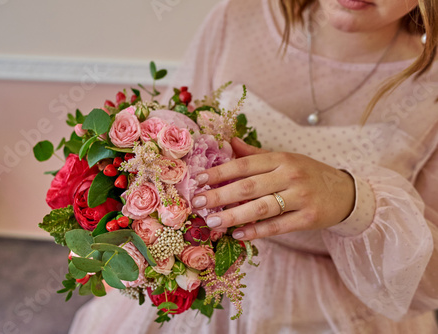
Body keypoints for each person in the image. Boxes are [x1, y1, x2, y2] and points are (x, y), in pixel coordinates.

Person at [69, 0, 438, 332]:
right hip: (201, 287)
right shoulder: (237, 17)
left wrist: (352, 204)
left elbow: (431, 281)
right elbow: (171, 135)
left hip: (337, 313)